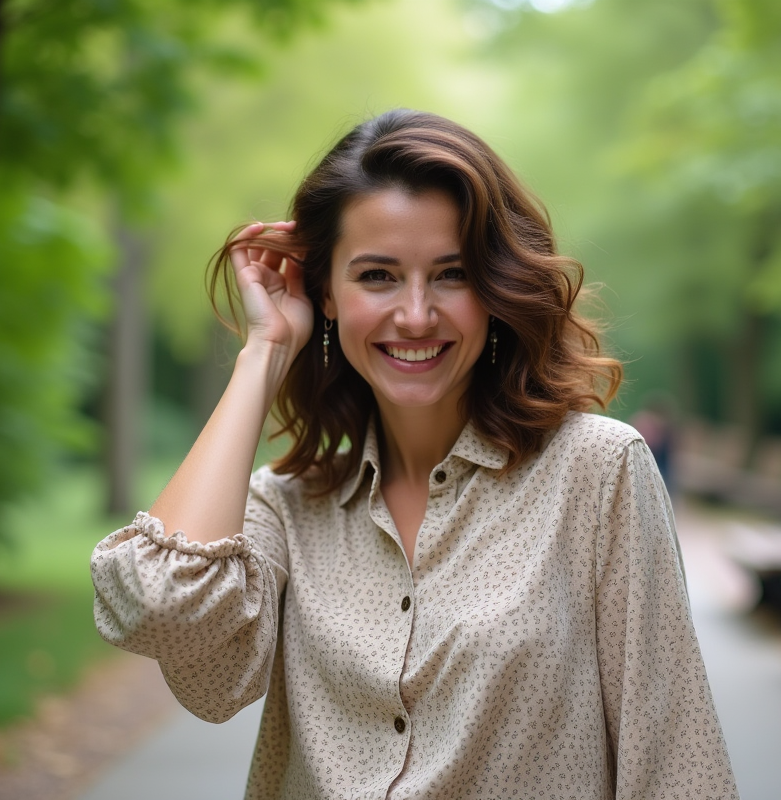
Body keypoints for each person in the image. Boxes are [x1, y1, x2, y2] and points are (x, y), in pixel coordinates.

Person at [90, 109, 737, 799]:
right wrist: (265, 351)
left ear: (494, 288)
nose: (418, 315)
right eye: (378, 276)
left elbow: (676, 763)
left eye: (452, 274)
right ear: (327, 294)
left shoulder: (597, 473)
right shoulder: (286, 508)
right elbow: (159, 608)